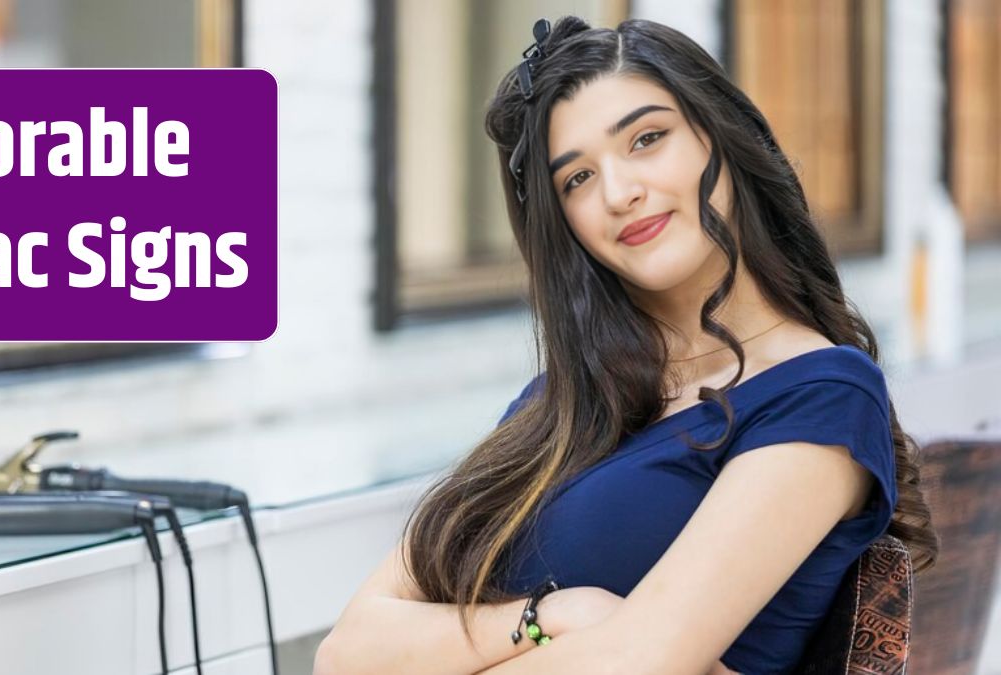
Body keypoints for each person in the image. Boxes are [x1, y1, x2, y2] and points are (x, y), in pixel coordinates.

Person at [315, 16, 939, 674]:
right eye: (576, 179)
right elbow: (344, 651)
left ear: (719, 138)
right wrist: (553, 614)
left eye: (647, 138)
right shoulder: (559, 405)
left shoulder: (819, 395)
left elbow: (640, 660)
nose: (620, 192)